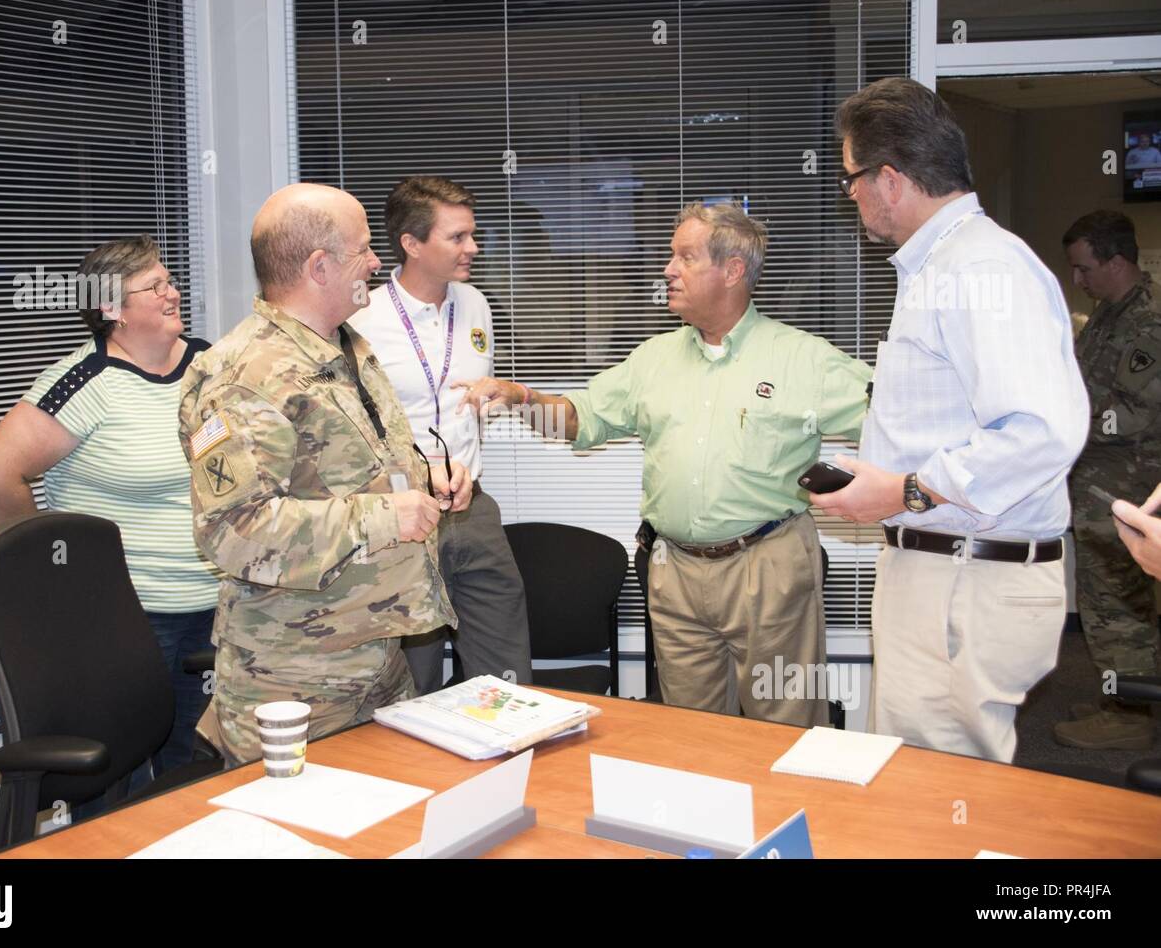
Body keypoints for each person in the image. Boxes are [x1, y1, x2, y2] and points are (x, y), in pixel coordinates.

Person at [457, 201, 872, 725]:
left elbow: (891, 417)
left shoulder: (804, 359)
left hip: (767, 569)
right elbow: (581, 419)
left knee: (784, 728)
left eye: (686, 257)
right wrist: (520, 398)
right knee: (688, 732)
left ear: (733, 270)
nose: (667, 269)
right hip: (674, 571)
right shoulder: (654, 359)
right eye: (671, 256)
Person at [811, 77, 1090, 764]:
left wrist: (905, 491)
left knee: (941, 790)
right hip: (943, 572)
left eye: (851, 178)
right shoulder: (942, 268)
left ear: (890, 179)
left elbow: (1042, 430)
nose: (849, 194)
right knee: (919, 780)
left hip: (967, 580)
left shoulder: (980, 268)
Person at [178, 183, 469, 766]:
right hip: (293, 682)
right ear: (319, 266)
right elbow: (233, 530)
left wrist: (427, 473)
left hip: (375, 658)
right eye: (362, 249)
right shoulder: (242, 377)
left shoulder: (343, 346)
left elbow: (349, 468)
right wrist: (389, 513)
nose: (375, 262)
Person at [0, 235, 219, 775]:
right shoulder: (85, 382)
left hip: (218, 604)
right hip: (129, 616)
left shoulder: (209, 364)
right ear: (114, 310)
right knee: (124, 777)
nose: (173, 292)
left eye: (169, 279)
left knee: (196, 769)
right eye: (154, 286)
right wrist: (52, 567)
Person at [350, 176, 532, 693]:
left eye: (472, 235)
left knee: (505, 669)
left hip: (471, 507)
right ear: (411, 243)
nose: (472, 248)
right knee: (413, 674)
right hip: (402, 514)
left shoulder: (475, 304)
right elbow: (356, 428)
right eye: (457, 237)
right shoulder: (362, 317)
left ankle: (508, 763)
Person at [1055, 211, 1160, 749]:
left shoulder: (1147, 322)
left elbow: (1136, 413)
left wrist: (1066, 421)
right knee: (1110, 598)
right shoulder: (1107, 314)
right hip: (1100, 481)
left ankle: (1131, 715)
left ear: (1117, 262)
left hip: (1128, 489)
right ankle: (1123, 695)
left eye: (1084, 268)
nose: (1078, 280)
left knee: (1117, 604)